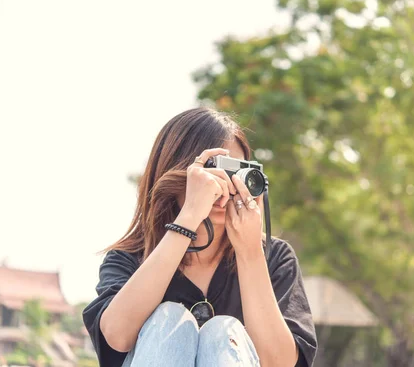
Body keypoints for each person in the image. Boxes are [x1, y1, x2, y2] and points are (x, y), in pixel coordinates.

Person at [82, 107, 317, 367]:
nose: (224, 187)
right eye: (211, 173)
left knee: (224, 331)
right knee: (170, 319)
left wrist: (250, 252)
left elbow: (279, 362)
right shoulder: (130, 258)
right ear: (176, 174)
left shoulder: (274, 257)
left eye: (234, 172)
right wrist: (190, 216)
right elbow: (117, 335)